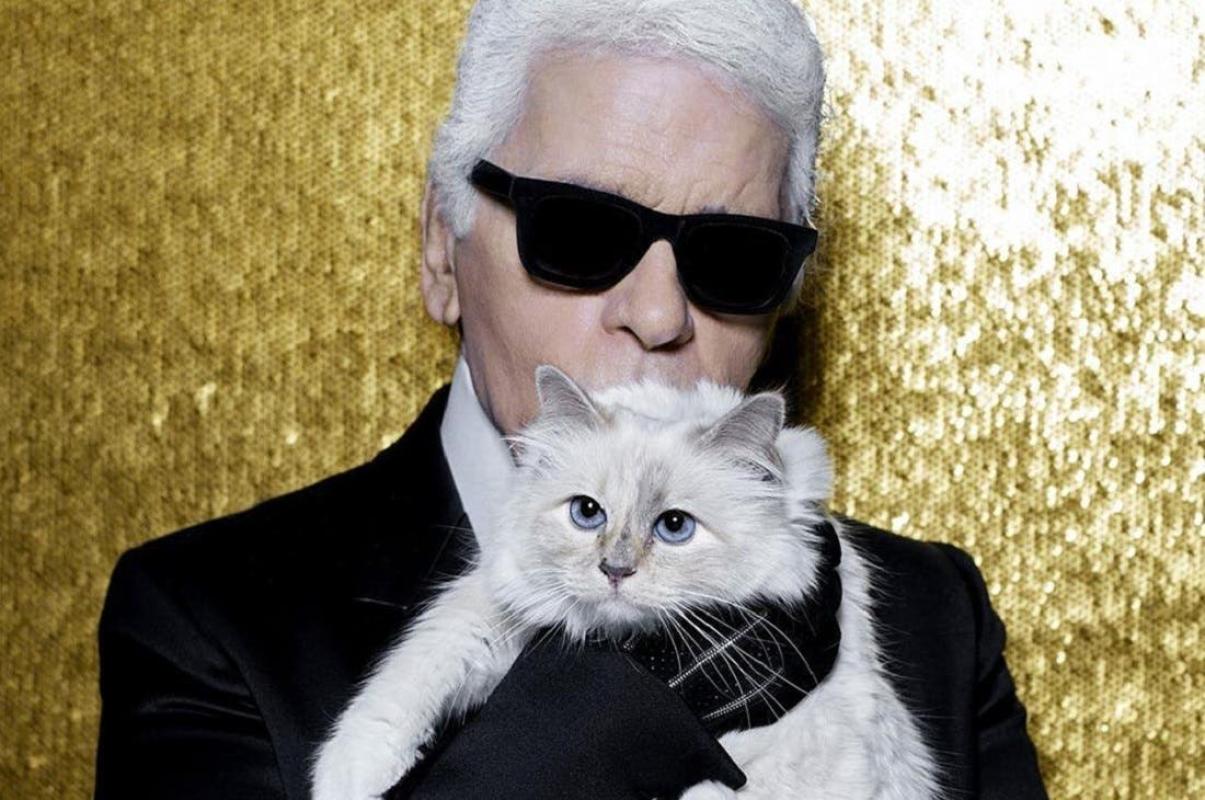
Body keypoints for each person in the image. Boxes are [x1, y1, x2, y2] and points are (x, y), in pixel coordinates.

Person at [93, 1, 1048, 798]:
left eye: (732, 256)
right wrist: (619, 705)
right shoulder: (204, 620)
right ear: (440, 249)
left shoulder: (935, 615)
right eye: (581, 233)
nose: (657, 315)